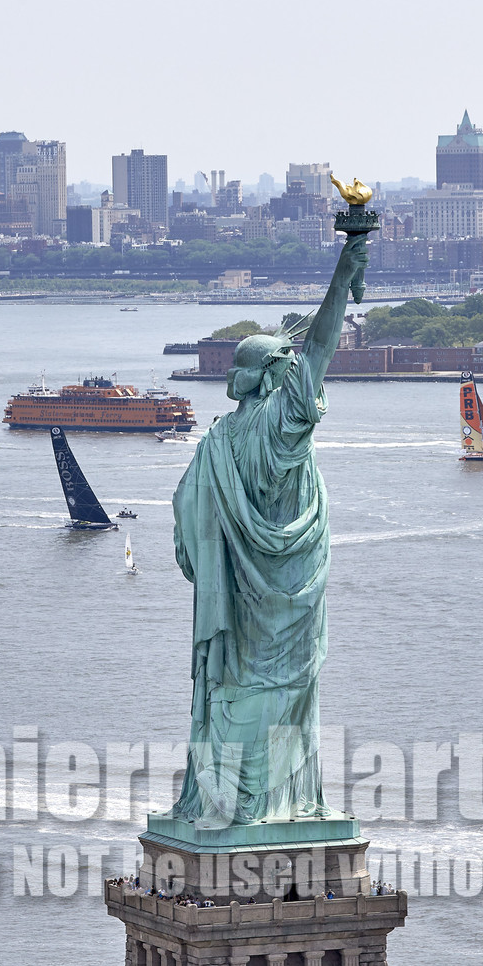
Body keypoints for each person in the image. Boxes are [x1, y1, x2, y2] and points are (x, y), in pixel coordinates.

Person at [168, 233, 368, 829]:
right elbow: (321, 349)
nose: (296, 371)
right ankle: (265, 802)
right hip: (291, 587)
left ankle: (231, 797)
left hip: (237, 593)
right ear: (271, 377)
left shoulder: (216, 441)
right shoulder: (278, 428)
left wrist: (214, 566)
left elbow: (185, 528)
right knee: (283, 692)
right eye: (286, 365)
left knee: (239, 687)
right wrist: (343, 274)